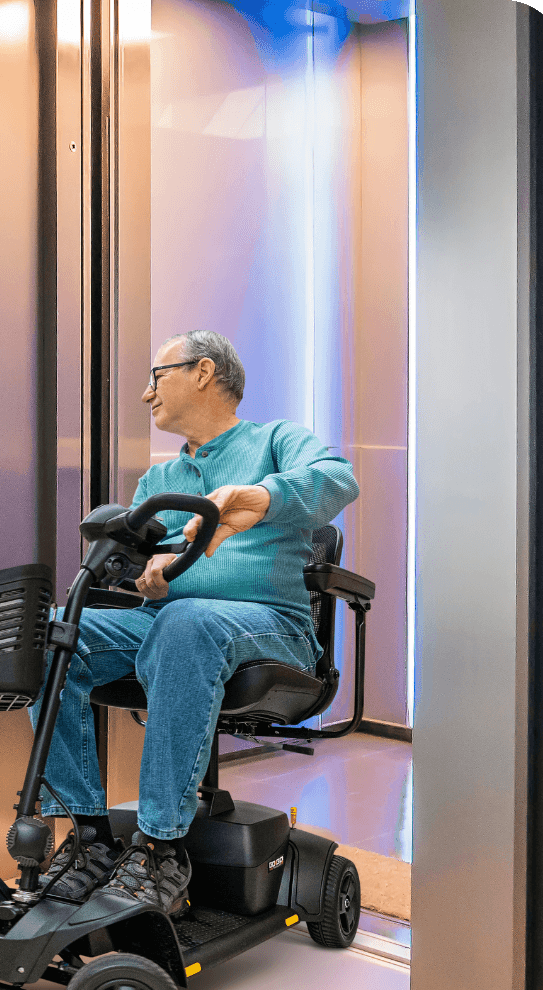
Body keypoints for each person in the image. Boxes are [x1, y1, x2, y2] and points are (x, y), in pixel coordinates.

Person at [30, 329, 359, 917]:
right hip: (169, 621)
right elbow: (138, 573)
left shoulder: (276, 441)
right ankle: (88, 838)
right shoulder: (158, 484)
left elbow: (338, 481)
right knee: (54, 634)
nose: (145, 394)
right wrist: (144, 577)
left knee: (186, 622)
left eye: (156, 377)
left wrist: (260, 496)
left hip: (269, 625)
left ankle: (160, 850)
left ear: (203, 372)